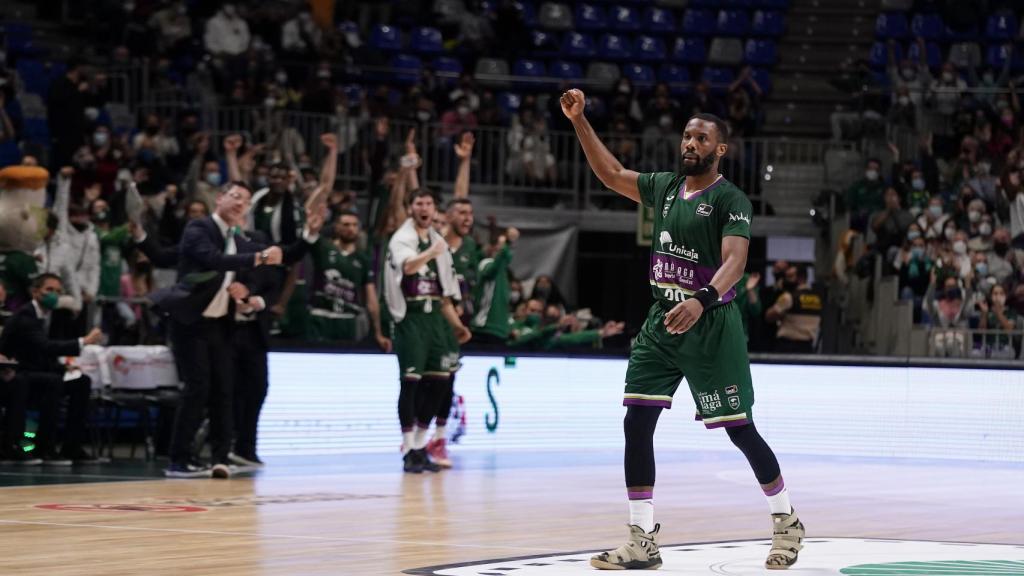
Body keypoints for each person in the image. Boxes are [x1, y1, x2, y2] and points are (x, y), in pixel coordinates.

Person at [561, 88, 804, 570]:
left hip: (711, 323)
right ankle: (641, 539)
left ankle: (786, 522)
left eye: (701, 138)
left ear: (720, 149)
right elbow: (610, 174)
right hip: (662, 321)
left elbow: (735, 262)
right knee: (636, 422)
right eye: (687, 136)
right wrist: (579, 121)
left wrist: (703, 298)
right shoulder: (665, 187)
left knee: (740, 430)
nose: (690, 143)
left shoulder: (731, 200)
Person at [150, 181, 324, 479]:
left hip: (220, 324)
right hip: (190, 322)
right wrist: (259, 257)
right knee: (197, 388)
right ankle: (179, 459)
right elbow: (214, 260)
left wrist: (308, 236)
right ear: (219, 199)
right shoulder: (199, 228)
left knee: (224, 391)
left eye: (245, 200)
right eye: (235, 197)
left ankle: (221, 458)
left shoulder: (239, 238)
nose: (240, 203)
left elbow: (283, 255)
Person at [383, 188, 472, 474]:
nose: (424, 208)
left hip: (437, 319)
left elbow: (446, 292)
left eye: (429, 203)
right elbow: (408, 267)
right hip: (411, 317)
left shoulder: (437, 243)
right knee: (410, 384)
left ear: (435, 210)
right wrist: (431, 252)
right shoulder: (402, 239)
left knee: (440, 383)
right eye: (418, 202)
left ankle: (421, 445)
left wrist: (457, 326)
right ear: (411, 208)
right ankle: (408, 448)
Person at [0, 274, 103, 464]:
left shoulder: (55, 316)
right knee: (53, 381)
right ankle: (42, 448)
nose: (54, 295)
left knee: (81, 382)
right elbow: (44, 346)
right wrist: (84, 341)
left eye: (58, 291)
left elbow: (45, 353)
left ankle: (71, 447)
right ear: (35, 291)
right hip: (18, 374)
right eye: (49, 290)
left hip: (39, 373)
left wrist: (63, 366)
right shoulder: (25, 316)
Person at [764, 265, 822, 354]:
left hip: (787, 347)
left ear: (801, 278)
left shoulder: (788, 297)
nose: (786, 280)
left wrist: (778, 292)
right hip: (808, 348)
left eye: (790, 276)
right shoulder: (817, 299)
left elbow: (768, 316)